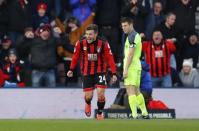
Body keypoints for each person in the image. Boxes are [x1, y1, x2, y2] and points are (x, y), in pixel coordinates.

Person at [67, 24, 117, 120]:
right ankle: (88, 103)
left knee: (100, 93)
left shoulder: (103, 43)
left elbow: (110, 58)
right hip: (87, 72)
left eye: (90, 34)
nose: (88, 36)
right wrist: (71, 69)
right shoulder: (80, 43)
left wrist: (114, 73)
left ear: (96, 34)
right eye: (86, 34)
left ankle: (100, 112)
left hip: (100, 71)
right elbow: (75, 57)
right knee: (89, 96)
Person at [121, 17, 149, 119]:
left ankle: (134, 114)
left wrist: (125, 69)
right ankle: (144, 113)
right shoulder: (135, 35)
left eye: (125, 26)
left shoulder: (132, 36)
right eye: (122, 26)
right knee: (137, 91)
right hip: (136, 65)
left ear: (131, 25)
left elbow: (130, 54)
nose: (123, 28)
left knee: (130, 90)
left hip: (131, 67)